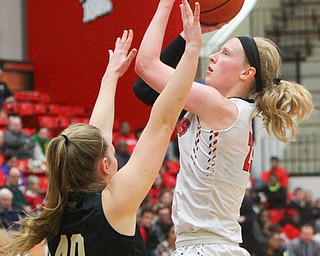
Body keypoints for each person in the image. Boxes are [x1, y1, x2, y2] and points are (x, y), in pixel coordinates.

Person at [6, 0, 202, 254]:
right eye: (109, 150)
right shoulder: (113, 205)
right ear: (105, 165)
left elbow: (99, 135)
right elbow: (162, 122)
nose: (111, 147)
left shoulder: (56, 212)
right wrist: (192, 48)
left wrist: (110, 77)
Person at [133, 0, 314, 254]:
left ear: (246, 73)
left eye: (226, 53)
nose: (214, 56)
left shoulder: (220, 109)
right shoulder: (217, 108)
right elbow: (144, 88)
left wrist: (165, 5)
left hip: (206, 247)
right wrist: (185, 37)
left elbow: (146, 65)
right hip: (207, 245)